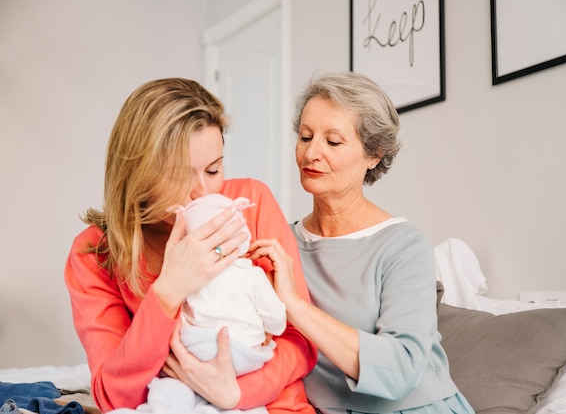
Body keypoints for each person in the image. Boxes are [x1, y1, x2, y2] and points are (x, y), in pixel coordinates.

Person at [64, 78, 317, 413]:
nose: (203, 192)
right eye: (180, 176)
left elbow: (300, 340)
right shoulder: (94, 254)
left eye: (214, 169)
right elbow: (114, 397)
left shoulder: (251, 202)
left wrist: (236, 393)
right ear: (137, 173)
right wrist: (169, 290)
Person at [248, 71, 475, 413]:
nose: (311, 153)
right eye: (305, 136)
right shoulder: (284, 242)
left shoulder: (403, 245)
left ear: (374, 154)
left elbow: (402, 367)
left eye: (333, 142)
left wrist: (296, 306)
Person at [130, 193, 287, 414]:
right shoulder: (251, 275)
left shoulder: (189, 274)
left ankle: (167, 405)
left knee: (171, 384)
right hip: (243, 354)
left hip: (196, 347)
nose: (200, 186)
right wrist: (270, 329)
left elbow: (177, 314)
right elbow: (277, 318)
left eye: (213, 170)